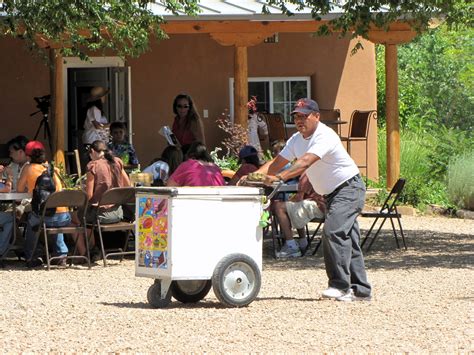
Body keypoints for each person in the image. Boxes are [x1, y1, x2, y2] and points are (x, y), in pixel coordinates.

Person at [261, 98, 371, 302]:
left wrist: (279, 178)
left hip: (349, 188)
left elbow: (305, 162)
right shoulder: (296, 139)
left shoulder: (325, 135)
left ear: (317, 116)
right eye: (296, 116)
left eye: (304, 115)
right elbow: (276, 163)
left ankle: (339, 286)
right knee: (348, 239)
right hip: (331, 194)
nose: (299, 120)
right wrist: (254, 177)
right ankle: (361, 290)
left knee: (334, 232)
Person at [17, 141, 71, 268]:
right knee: (53, 217)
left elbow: (19, 190)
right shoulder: (52, 168)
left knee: (32, 221)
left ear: (28, 156)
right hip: (64, 216)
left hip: (44, 216)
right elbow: (59, 190)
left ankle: (31, 256)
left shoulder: (28, 168)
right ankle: (61, 255)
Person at [273, 173, 325, 258]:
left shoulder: (308, 173)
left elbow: (299, 197)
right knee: (293, 207)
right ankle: (303, 244)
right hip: (328, 207)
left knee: (279, 207)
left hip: (319, 206)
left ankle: (291, 246)